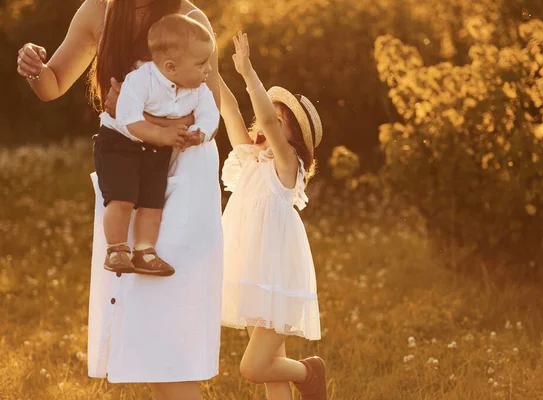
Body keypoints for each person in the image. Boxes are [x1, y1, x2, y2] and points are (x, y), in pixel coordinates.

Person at [16, 1, 222, 399]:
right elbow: (53, 84)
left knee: (166, 335)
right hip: (127, 176)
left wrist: (129, 115)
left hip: (183, 176)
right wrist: (35, 70)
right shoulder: (99, 11)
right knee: (144, 332)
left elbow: (203, 118)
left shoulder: (189, 19)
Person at [219, 31, 326, 400]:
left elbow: (261, 114)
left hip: (277, 277)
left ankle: (310, 371)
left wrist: (249, 73)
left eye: (280, 122)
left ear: (292, 139)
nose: (268, 124)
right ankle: (300, 376)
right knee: (269, 374)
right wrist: (205, 65)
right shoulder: (250, 162)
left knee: (253, 367)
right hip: (254, 274)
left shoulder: (286, 165)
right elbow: (230, 108)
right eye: (271, 118)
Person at [96, 13, 219, 277]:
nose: (208, 69)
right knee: (122, 198)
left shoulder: (198, 89)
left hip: (155, 152)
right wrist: (163, 135)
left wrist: (200, 133)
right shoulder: (141, 79)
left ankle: (144, 251)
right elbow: (128, 117)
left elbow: (210, 114)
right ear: (171, 67)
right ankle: (116, 249)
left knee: (152, 205)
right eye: (201, 64)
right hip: (121, 143)